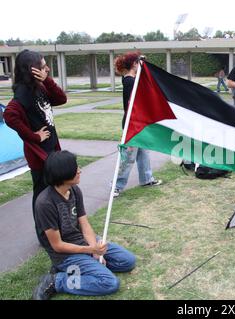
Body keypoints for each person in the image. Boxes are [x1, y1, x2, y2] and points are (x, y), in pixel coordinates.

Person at [32, 151, 136, 299]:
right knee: (109, 283)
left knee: (128, 261)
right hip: (65, 255)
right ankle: (56, 281)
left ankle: (88, 268)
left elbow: (84, 223)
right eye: (76, 168)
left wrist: (95, 249)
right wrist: (90, 249)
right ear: (63, 173)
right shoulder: (45, 203)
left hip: (83, 242)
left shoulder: (74, 190)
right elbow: (57, 246)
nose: (80, 170)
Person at [4, 49, 67, 222]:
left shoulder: (40, 87)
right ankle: (44, 231)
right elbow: (9, 115)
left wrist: (47, 80)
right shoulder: (23, 93)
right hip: (39, 156)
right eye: (44, 67)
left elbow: (62, 99)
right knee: (42, 195)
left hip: (52, 150)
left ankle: (54, 226)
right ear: (33, 70)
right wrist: (34, 137)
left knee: (54, 192)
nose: (47, 70)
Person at [113, 52, 161, 197]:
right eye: (140, 62)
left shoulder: (132, 79)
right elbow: (133, 105)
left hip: (139, 123)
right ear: (134, 64)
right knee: (128, 157)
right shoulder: (129, 81)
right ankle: (116, 186)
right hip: (132, 124)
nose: (142, 64)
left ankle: (146, 179)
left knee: (143, 153)